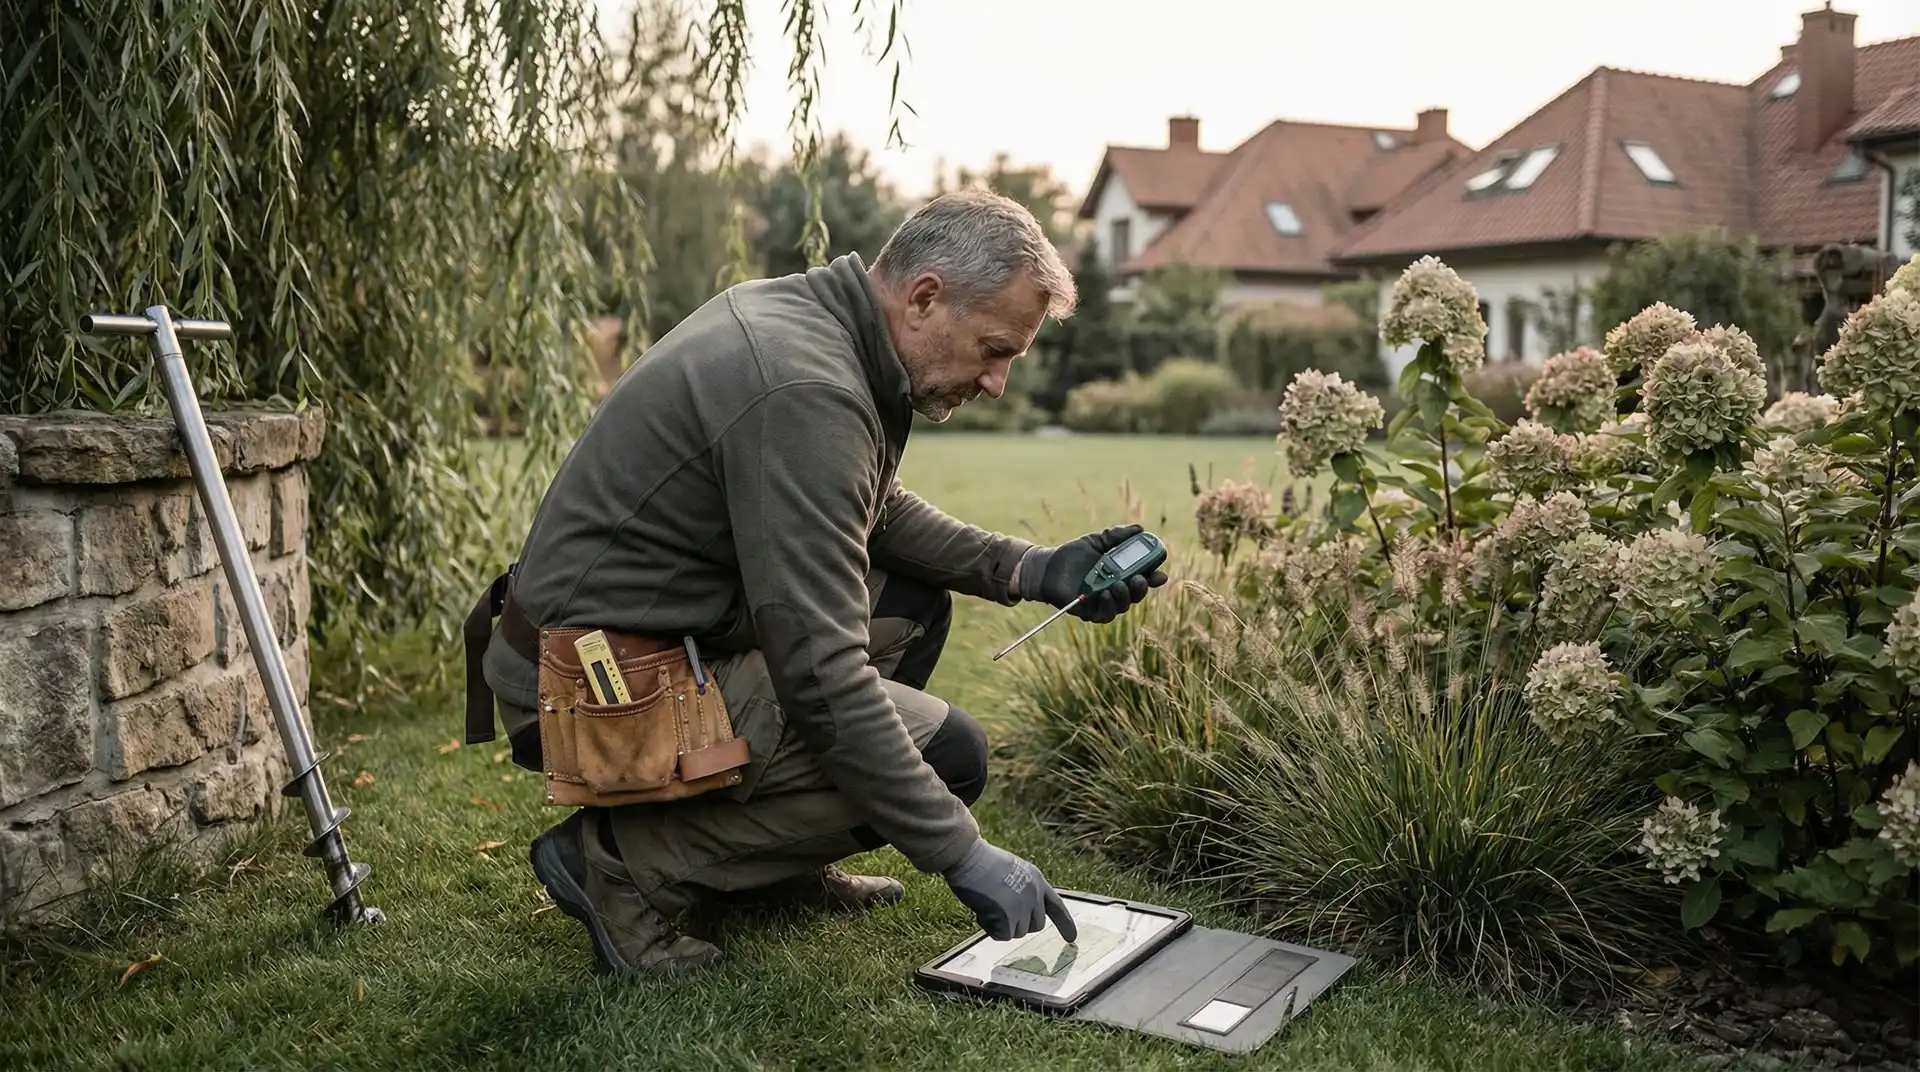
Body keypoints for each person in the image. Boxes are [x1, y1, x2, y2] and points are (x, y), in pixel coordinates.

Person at [467, 187, 1168, 976]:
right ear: (926, 297)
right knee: (952, 758)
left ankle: (772, 870)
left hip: (625, 649)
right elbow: (822, 676)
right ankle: (620, 869)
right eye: (994, 348)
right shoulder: (807, 390)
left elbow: (872, 508)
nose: (998, 381)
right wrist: (962, 854)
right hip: (589, 691)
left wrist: (1030, 568)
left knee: (909, 602)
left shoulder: (810, 318)